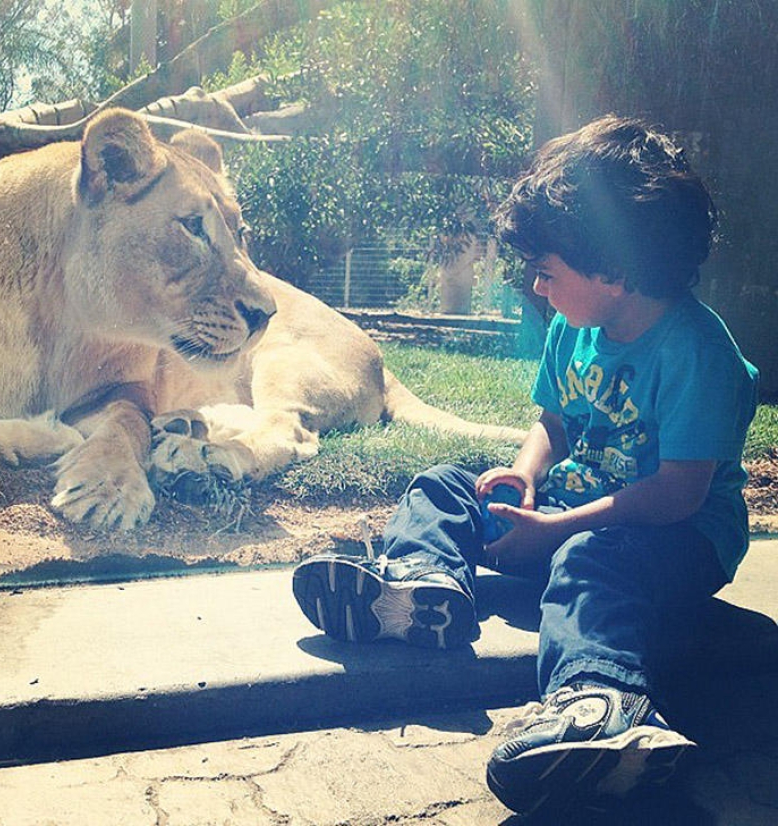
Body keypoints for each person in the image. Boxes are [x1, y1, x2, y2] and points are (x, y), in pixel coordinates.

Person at [291, 115, 759, 815]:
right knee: (445, 484)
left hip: (674, 540)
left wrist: (558, 528)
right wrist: (524, 478)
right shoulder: (576, 329)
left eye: (547, 273)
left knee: (589, 566)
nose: (537, 290)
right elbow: (553, 423)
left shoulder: (697, 353)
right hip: (573, 513)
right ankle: (424, 590)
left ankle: (602, 702)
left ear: (615, 267)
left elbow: (677, 494)